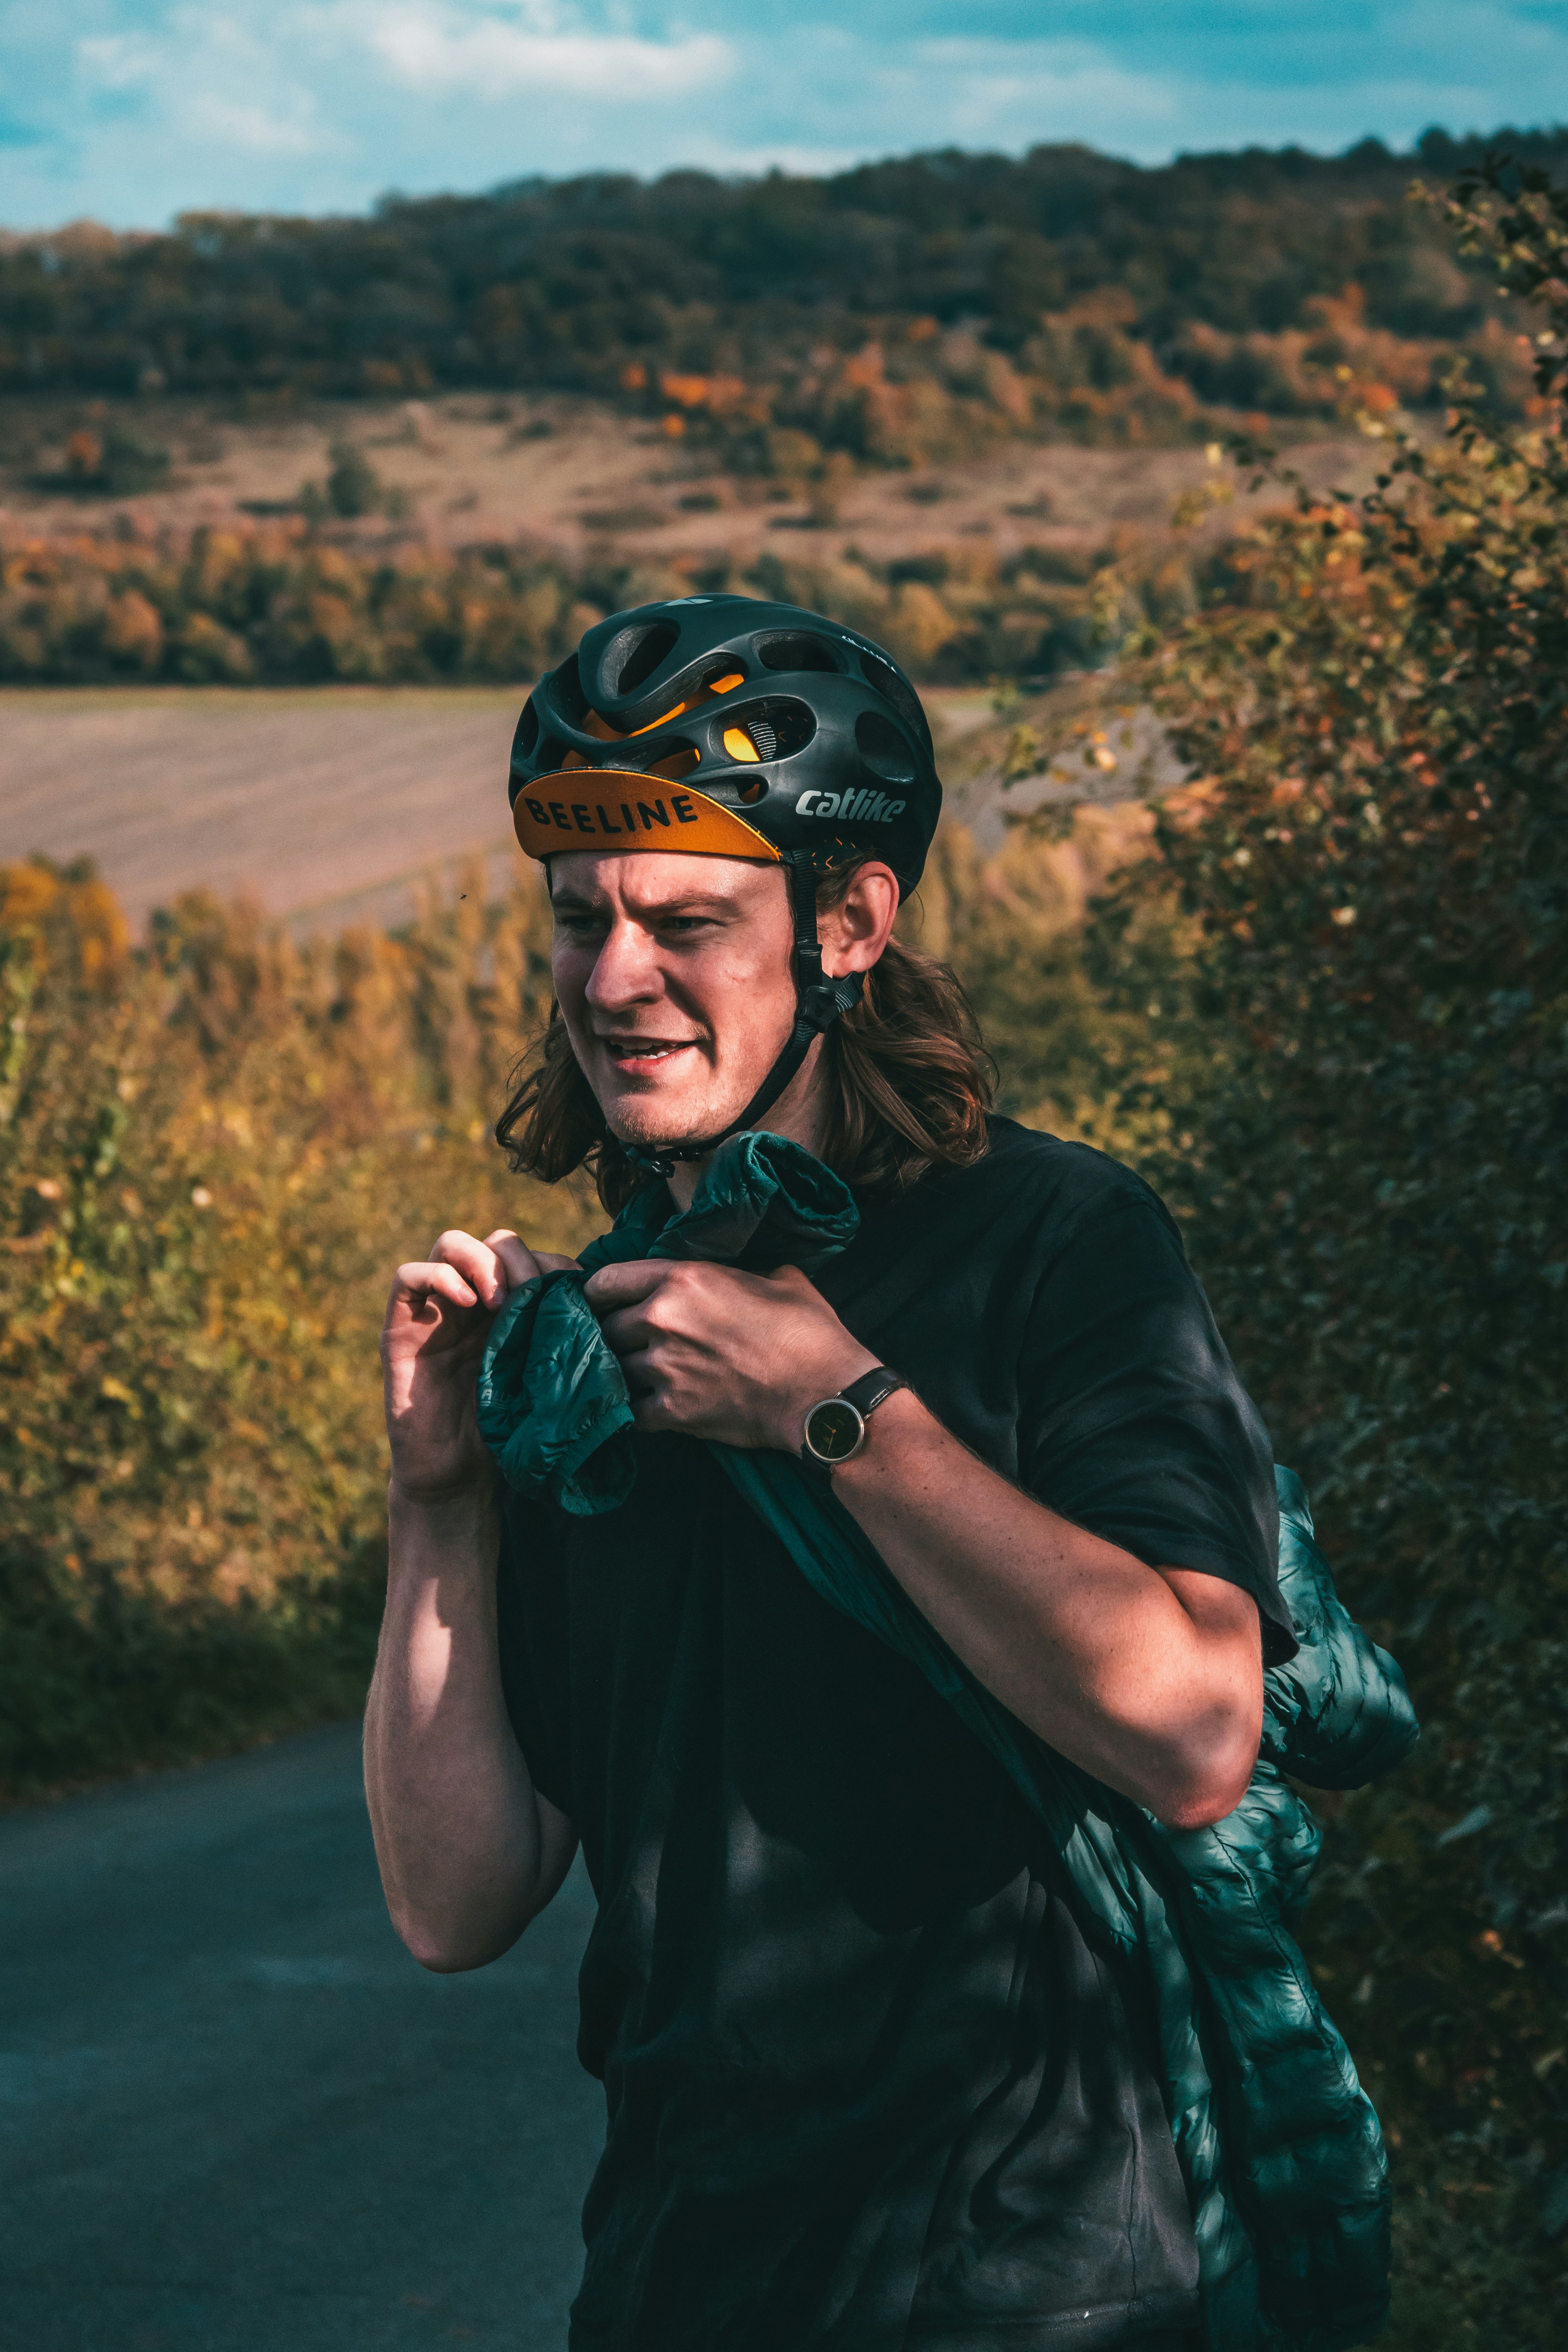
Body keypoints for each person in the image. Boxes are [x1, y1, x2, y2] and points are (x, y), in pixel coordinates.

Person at [364, 597, 1297, 2352]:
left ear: (849, 920)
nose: (612, 982)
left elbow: (1191, 1729)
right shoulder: (590, 1340)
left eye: (687, 923)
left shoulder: (1053, 1242)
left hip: (1028, 2283)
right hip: (677, 2278)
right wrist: (437, 1502)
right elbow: (454, 1901)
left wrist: (835, 1407)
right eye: (580, 923)